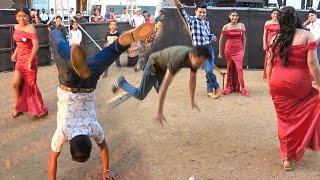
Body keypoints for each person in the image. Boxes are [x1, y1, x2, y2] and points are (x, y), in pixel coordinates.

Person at [47, 23, 155, 179]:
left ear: (90, 141)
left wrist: (106, 170)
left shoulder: (94, 129)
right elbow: (52, 159)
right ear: (69, 144)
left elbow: (103, 147)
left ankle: (121, 43)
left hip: (89, 78)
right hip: (68, 83)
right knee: (57, 42)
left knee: (112, 51)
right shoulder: (62, 134)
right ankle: (60, 37)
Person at [267, 6, 320, 171]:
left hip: (277, 82)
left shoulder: (275, 37)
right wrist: (319, 84)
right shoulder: (306, 35)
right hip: (299, 83)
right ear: (296, 18)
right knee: (310, 106)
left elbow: (269, 64)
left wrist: (271, 84)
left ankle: (286, 157)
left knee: (284, 120)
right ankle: (301, 142)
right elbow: (312, 64)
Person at [112, 45, 211, 126]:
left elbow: (192, 80)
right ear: (192, 56)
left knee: (159, 91)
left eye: (202, 63)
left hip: (163, 66)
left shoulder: (194, 60)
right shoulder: (178, 59)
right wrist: (159, 111)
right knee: (140, 95)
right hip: (153, 66)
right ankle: (122, 82)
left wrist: (192, 99)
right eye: (199, 62)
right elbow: (164, 86)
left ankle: (142, 63)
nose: (199, 65)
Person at [175, 0, 221, 99]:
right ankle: (217, 87)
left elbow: (206, 35)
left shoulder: (206, 21)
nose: (202, 14)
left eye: (204, 12)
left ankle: (209, 91)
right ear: (196, 11)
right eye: (200, 12)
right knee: (208, 71)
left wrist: (212, 37)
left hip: (208, 48)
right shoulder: (192, 20)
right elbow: (184, 15)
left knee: (210, 71)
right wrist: (180, 6)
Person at [11, 6, 48, 119]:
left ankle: (36, 108)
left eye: (24, 16)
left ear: (28, 16)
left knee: (30, 86)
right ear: (16, 17)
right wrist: (15, 54)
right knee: (15, 84)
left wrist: (29, 61)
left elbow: (36, 46)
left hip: (30, 59)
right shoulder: (15, 27)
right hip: (20, 59)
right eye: (19, 16)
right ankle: (18, 108)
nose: (21, 18)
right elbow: (19, 44)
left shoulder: (31, 28)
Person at [218, 9, 249, 97]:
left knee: (239, 69)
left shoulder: (242, 25)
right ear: (229, 16)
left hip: (239, 50)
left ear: (238, 17)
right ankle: (229, 87)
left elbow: (244, 38)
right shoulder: (226, 26)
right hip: (229, 50)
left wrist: (243, 50)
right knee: (230, 68)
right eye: (233, 15)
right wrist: (220, 52)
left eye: (236, 16)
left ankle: (242, 88)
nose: (234, 17)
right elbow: (221, 40)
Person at [262, 8, 280, 79]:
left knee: (277, 58)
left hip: (278, 42)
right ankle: (268, 75)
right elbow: (264, 34)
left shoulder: (280, 22)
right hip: (269, 42)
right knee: (269, 58)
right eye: (274, 13)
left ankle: (275, 75)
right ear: (271, 15)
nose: (275, 15)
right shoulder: (267, 22)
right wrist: (264, 44)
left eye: (277, 14)